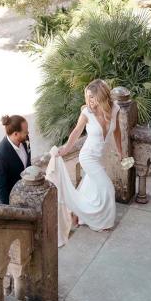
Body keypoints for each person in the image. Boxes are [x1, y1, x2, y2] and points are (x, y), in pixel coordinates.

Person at [46, 79, 123, 246]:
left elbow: (116, 131)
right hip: (88, 157)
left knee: (92, 190)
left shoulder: (115, 109)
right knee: (107, 188)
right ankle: (102, 223)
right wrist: (65, 149)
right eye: (87, 97)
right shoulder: (87, 113)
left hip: (99, 157)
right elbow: (75, 133)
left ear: (101, 96)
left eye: (92, 97)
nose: (89, 101)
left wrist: (120, 151)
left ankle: (77, 215)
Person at [0, 114, 31, 205]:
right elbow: (1, 189)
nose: (28, 132)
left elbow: (28, 163)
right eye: (25, 131)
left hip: (21, 191)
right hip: (6, 197)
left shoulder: (25, 139)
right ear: (16, 134)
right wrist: (11, 210)